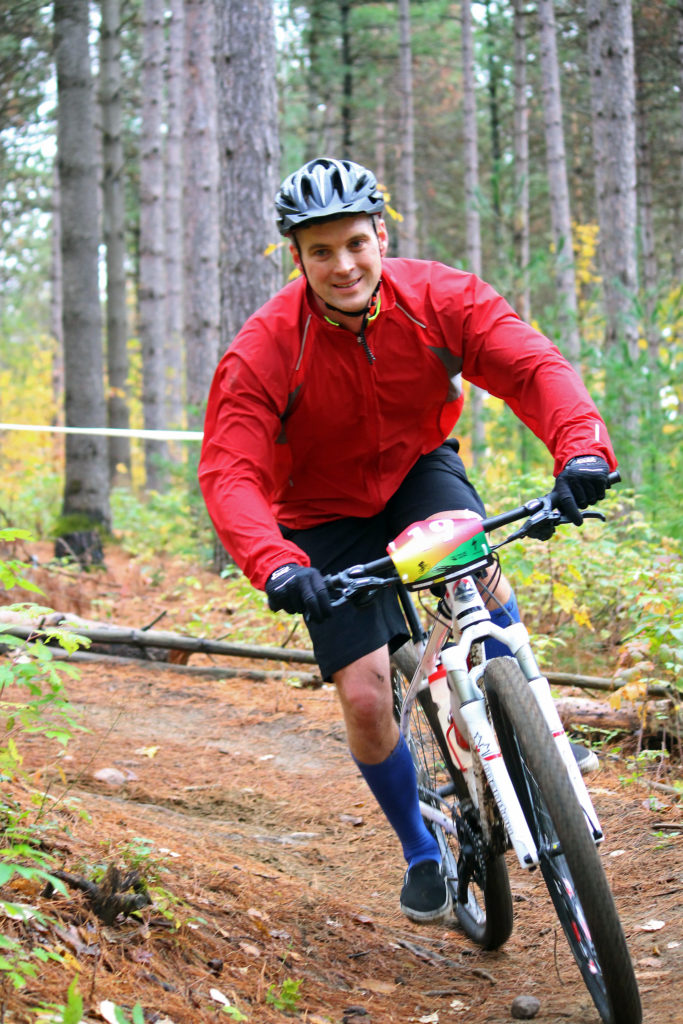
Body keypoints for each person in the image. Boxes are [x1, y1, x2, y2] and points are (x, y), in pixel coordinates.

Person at [198, 157, 616, 924]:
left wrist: (581, 449)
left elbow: (531, 368)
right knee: (363, 695)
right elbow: (230, 472)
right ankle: (421, 849)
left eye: (355, 243)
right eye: (319, 251)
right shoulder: (264, 347)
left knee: (479, 573)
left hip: (415, 472)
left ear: (381, 235)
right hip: (320, 515)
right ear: (298, 257)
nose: (342, 265)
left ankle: (529, 728)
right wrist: (277, 564)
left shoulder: (440, 298)